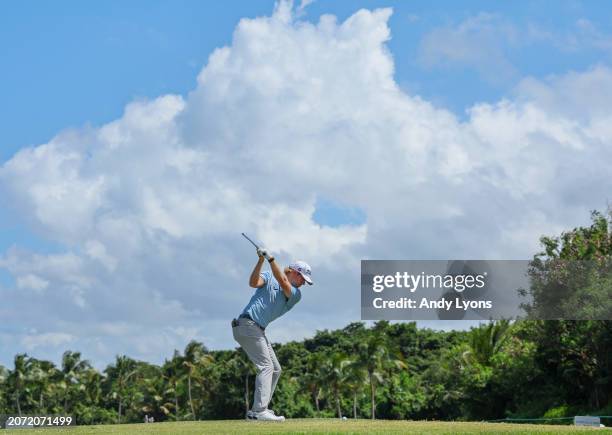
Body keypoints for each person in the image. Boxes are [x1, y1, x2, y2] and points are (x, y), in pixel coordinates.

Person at [232, 247, 313, 421]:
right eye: (302, 278)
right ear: (294, 272)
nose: (304, 283)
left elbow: (283, 282)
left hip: (256, 329)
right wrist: (261, 261)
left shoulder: (296, 294)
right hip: (247, 324)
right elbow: (253, 283)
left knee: (275, 369)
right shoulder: (269, 275)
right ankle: (260, 411)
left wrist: (270, 258)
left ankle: (258, 411)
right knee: (266, 367)